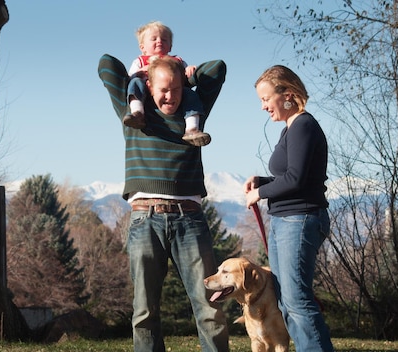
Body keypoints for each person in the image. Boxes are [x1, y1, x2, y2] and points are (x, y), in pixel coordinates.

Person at [98, 54, 229, 352]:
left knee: (209, 305)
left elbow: (217, 68)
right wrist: (143, 71)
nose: (170, 96)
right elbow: (106, 64)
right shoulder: (134, 114)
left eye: (177, 89)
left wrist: (187, 75)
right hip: (145, 219)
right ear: (148, 87)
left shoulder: (193, 116)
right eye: (163, 89)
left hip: (190, 220)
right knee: (145, 310)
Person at [243, 65, 334, 351]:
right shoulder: (290, 129)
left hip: (301, 219)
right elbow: (293, 176)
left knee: (297, 301)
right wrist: (263, 181)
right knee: (287, 301)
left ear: (288, 95)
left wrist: (260, 192)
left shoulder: (303, 125)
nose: (263, 107)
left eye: (265, 99)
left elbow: (295, 180)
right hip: (286, 220)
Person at [124, 21, 211, 147]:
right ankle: (137, 113)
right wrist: (138, 73)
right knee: (135, 83)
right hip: (146, 93)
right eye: (154, 39)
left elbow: (186, 74)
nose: (159, 41)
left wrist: (189, 70)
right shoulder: (140, 62)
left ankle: (192, 128)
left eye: (164, 39)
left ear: (170, 46)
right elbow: (129, 77)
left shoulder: (176, 61)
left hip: (174, 94)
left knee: (190, 94)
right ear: (142, 47)